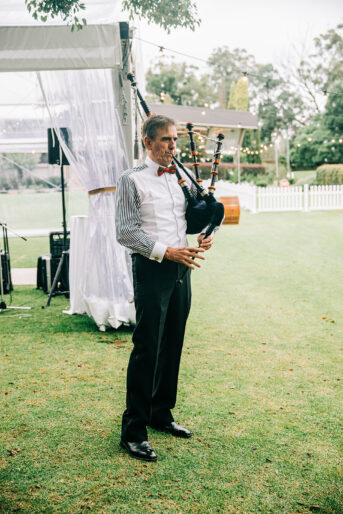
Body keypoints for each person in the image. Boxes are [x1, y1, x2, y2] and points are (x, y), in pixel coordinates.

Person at [115, 114, 213, 462]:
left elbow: (190, 219)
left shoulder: (180, 179)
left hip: (182, 269)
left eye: (175, 140)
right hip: (152, 269)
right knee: (148, 347)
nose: (173, 146)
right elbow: (126, 232)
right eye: (166, 140)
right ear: (148, 142)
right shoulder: (131, 180)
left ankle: (161, 413)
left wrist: (204, 235)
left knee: (173, 343)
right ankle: (134, 430)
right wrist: (166, 251)